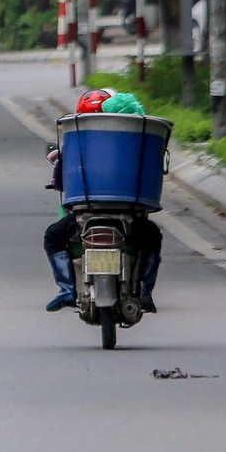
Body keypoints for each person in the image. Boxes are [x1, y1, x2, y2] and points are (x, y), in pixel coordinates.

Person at [43, 88, 163, 313]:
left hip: (84, 213)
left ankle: (67, 289)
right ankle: (145, 293)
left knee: (53, 237)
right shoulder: (137, 142)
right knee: (152, 237)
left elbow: (60, 181)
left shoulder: (75, 143)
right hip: (130, 212)